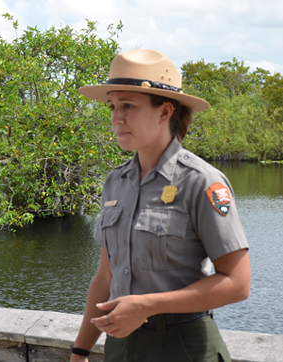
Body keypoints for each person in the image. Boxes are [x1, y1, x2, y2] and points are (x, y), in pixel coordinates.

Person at [70, 49, 251, 362]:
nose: (116, 117)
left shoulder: (201, 181)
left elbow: (237, 284)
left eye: (128, 105)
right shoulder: (116, 182)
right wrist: (80, 351)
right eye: (112, 106)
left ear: (165, 112)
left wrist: (149, 305)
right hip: (121, 349)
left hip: (184, 348)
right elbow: (105, 277)